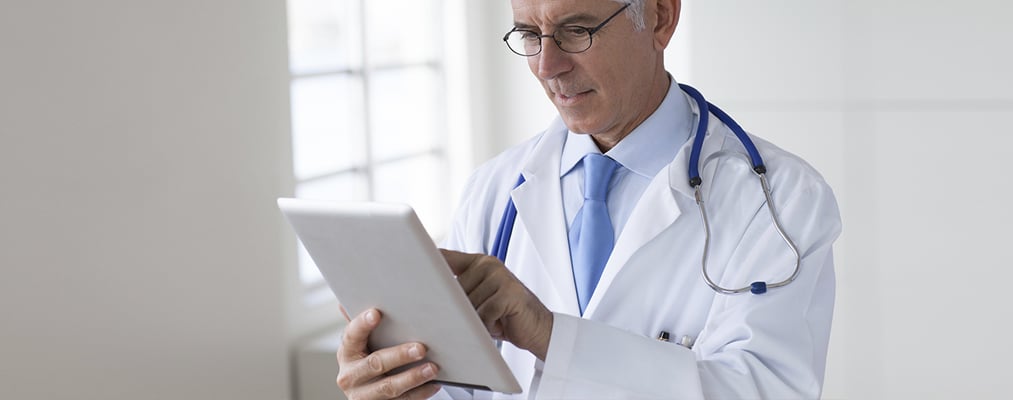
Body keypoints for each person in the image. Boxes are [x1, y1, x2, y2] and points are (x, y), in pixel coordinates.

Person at [334, 0, 841, 398]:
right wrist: (400, 384)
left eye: (577, 30)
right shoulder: (494, 189)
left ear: (660, 17)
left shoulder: (779, 202)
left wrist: (551, 337)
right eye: (529, 35)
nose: (547, 66)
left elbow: (764, 391)